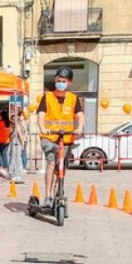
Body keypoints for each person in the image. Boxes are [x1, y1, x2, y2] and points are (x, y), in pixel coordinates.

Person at [37, 66, 85, 206]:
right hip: (49, 137)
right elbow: (41, 116)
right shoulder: (47, 97)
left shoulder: (73, 99)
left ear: (69, 83)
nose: (60, 83)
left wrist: (79, 128)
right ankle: (48, 196)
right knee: (52, 163)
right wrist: (43, 128)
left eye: (63, 81)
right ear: (55, 80)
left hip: (67, 138)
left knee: (62, 167)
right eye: (58, 80)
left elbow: (80, 116)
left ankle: (58, 193)